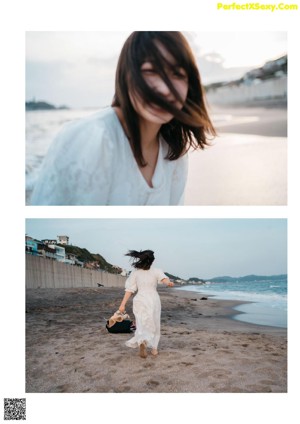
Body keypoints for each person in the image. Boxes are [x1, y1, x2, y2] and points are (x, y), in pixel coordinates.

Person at [30, 31, 216, 205]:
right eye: (150, 71)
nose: (165, 89)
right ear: (126, 76)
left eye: (177, 74)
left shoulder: (174, 152)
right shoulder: (93, 139)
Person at [118, 249, 173, 358]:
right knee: (155, 323)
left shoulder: (135, 272)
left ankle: (142, 341)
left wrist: (122, 305)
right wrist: (169, 283)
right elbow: (164, 279)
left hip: (140, 299)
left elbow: (129, 289)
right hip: (153, 299)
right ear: (152, 261)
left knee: (141, 322)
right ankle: (154, 349)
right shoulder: (157, 271)